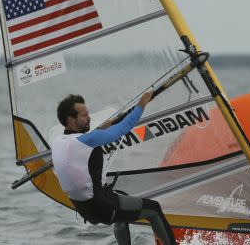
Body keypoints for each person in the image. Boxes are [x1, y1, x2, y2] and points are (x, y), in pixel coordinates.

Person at [52, 91, 176, 245]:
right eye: (84, 116)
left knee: (121, 197)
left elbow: (82, 144)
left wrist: (102, 129)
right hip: (102, 207)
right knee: (154, 210)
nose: (89, 118)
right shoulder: (88, 140)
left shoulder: (58, 142)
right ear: (70, 119)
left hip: (85, 209)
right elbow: (124, 127)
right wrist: (142, 103)